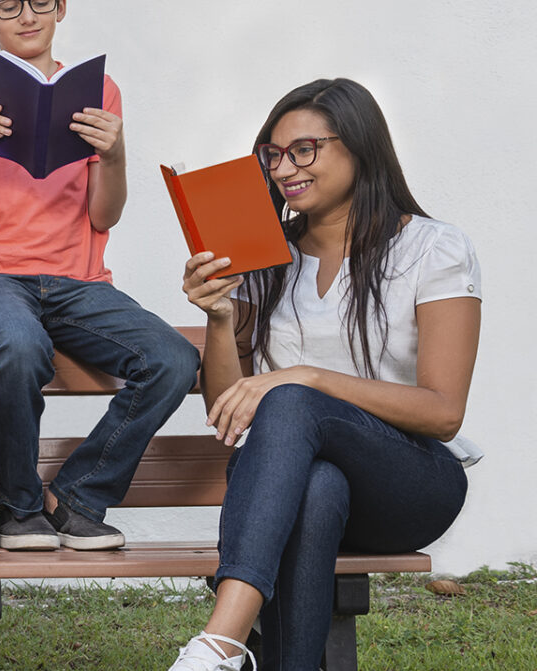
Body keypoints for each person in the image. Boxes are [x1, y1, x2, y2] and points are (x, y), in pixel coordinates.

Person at [169, 78, 478, 671]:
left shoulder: (434, 249)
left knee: (290, 398)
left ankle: (219, 642)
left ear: (359, 147)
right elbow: (229, 411)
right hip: (297, 483)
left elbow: (443, 413)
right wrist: (218, 317)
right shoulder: (263, 256)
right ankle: (252, 655)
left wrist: (309, 378)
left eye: (305, 149)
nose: (286, 168)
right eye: (274, 154)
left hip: (408, 484)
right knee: (318, 485)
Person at [0, 0, 199, 551]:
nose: (25, 15)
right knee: (16, 347)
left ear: (61, 8)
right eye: (6, 5)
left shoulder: (98, 91)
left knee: (173, 359)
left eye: (40, 1)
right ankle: (18, 510)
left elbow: (103, 216)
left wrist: (115, 154)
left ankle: (77, 496)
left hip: (81, 282)